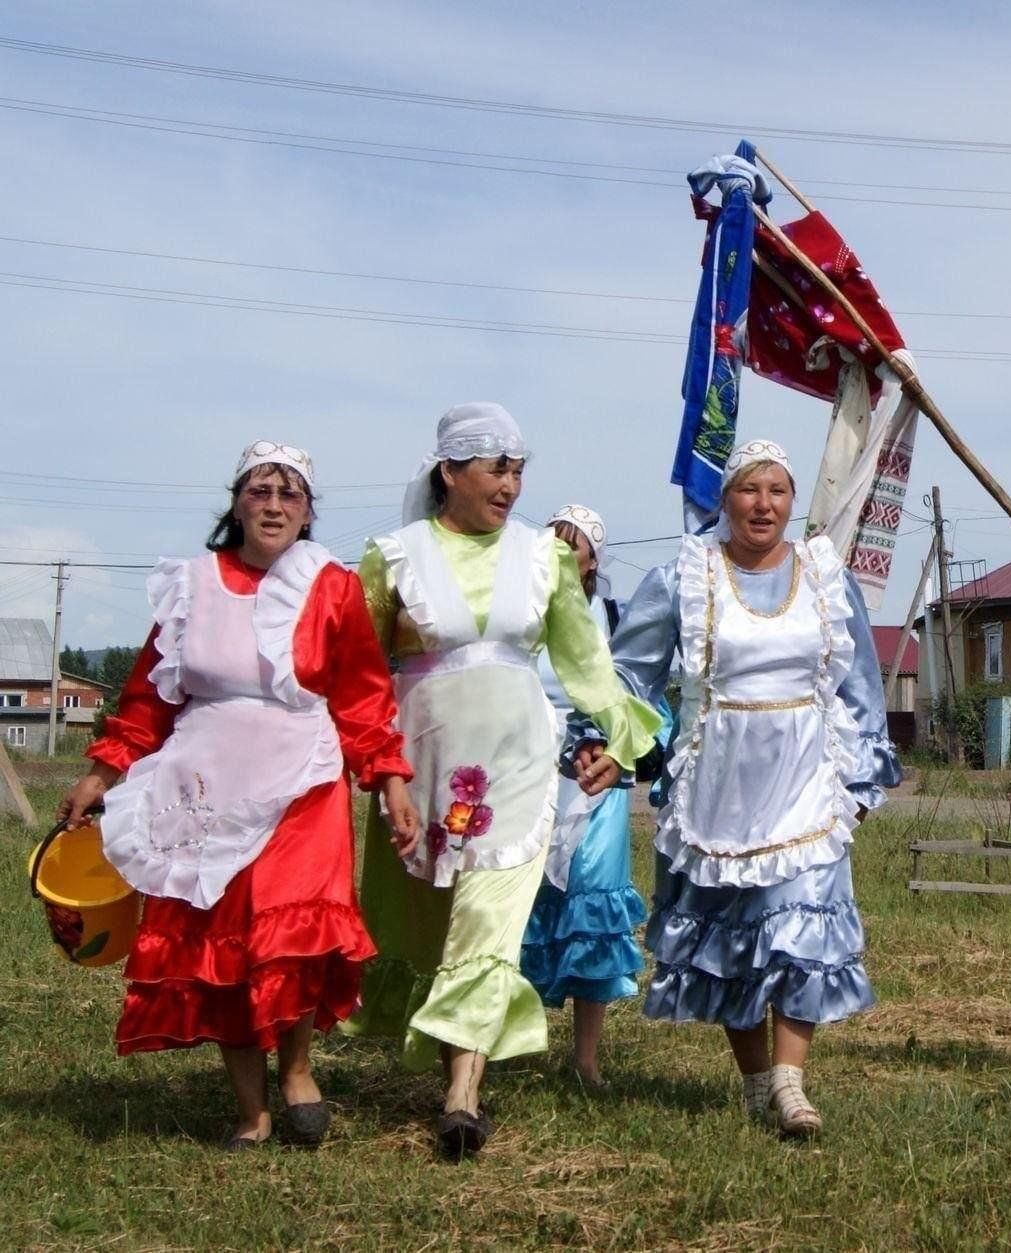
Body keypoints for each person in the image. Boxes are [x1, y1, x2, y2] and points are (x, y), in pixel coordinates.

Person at [55, 441, 421, 1151]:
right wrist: (101, 774)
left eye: (290, 493)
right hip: (205, 784)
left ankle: (298, 1071)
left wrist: (391, 782)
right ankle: (250, 1112)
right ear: (237, 502)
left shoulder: (332, 587)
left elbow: (363, 696)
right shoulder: (192, 585)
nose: (275, 504)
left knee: (293, 932)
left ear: (309, 510)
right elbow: (145, 700)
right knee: (221, 943)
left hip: (304, 782)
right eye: (261, 490)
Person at [345, 404, 659, 1160]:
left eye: (520, 469)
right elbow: (357, 673)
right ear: (449, 471)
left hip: (517, 767)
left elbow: (586, 662)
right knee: (438, 920)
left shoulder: (544, 558)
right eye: (496, 468)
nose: (511, 485)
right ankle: (451, 1061)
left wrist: (625, 739)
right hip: (423, 769)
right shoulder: (392, 556)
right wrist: (369, 763)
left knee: (489, 924)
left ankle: (462, 1096)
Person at [585, 439, 900, 1138]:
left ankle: (792, 1083)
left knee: (802, 928)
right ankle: (756, 1080)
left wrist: (859, 773)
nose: (763, 504)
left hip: (804, 774)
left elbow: (858, 684)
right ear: (725, 500)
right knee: (732, 936)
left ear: (792, 501)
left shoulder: (823, 573)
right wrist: (612, 739)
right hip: (718, 780)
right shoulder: (684, 576)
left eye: (777, 491)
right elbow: (629, 671)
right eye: (749, 490)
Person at [519, 504, 652, 1090]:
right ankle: (507, 1041)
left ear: (593, 559)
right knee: (518, 904)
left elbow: (635, 693)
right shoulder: (517, 615)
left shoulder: (616, 618)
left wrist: (611, 745)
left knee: (593, 910)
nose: (562, 554)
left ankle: (586, 1059)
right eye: (552, 542)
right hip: (526, 770)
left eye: (574, 546)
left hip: (596, 775)